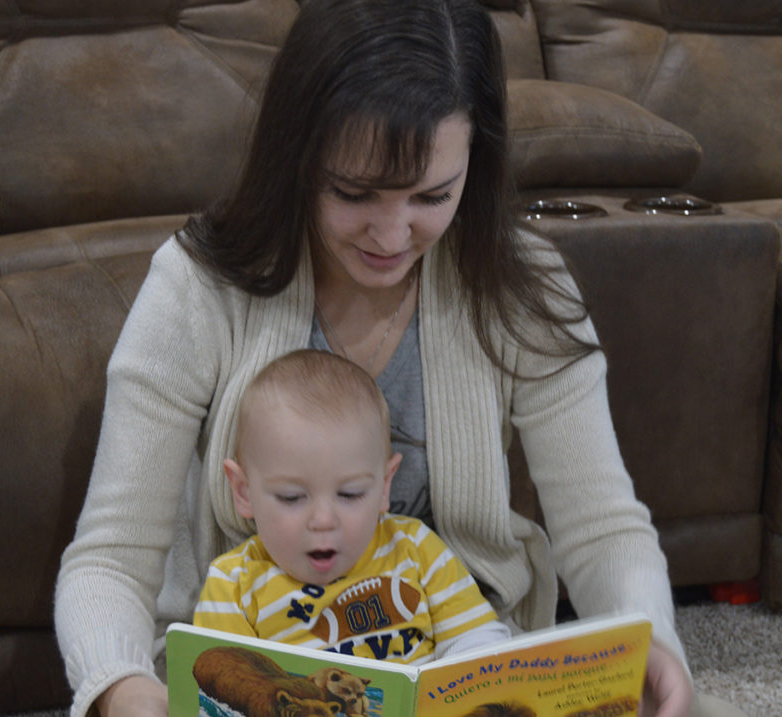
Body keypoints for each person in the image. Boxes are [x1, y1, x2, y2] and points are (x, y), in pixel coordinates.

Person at [54, 1, 733, 716]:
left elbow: (602, 528)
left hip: (472, 663)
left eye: (432, 195)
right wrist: (123, 688)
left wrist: (651, 643)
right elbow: (108, 559)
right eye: (354, 191)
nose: (392, 232)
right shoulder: (196, 288)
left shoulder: (521, 285)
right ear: (298, 158)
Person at [192, 348, 512, 661]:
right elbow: (220, 689)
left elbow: (478, 645)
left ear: (384, 486)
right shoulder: (234, 586)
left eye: (350, 494)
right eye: (291, 497)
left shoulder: (415, 549)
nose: (323, 520)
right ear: (244, 492)